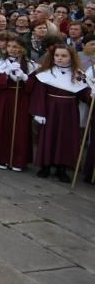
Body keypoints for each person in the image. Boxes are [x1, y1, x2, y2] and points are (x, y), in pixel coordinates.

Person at [30, 44, 92, 182]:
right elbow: (39, 94)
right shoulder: (45, 73)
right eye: (57, 55)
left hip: (69, 112)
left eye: (64, 56)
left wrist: (91, 93)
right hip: (50, 110)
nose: (59, 58)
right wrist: (39, 112)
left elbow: (83, 95)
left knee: (66, 139)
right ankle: (45, 166)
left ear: (71, 57)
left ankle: (61, 169)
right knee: (48, 137)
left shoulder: (78, 74)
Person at [0, 36, 36, 171]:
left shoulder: (30, 65)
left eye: (15, 47)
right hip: (6, 97)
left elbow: (32, 87)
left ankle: (18, 160)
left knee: (20, 127)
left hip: (21, 98)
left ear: (22, 48)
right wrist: (6, 73)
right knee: (4, 124)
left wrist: (24, 77)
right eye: (9, 46)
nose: (12, 50)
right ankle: (2, 157)